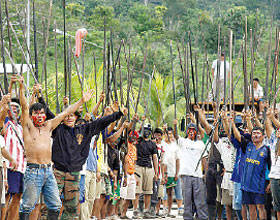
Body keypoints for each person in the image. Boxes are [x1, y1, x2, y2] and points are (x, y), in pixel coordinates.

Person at [17, 76, 94, 219]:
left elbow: (66, 112)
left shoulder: (49, 125)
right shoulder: (27, 126)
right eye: (36, 113)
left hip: (48, 170)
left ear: (45, 115)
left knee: (55, 205)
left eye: (41, 113)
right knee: (27, 205)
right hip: (33, 170)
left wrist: (81, 101)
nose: (39, 116)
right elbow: (24, 106)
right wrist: (21, 87)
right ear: (31, 115)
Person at [52, 97, 127, 220]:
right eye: (67, 115)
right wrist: (74, 102)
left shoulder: (84, 130)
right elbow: (49, 115)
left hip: (74, 174)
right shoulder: (57, 129)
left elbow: (101, 122)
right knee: (53, 203)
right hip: (58, 172)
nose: (69, 118)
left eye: (73, 115)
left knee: (71, 208)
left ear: (76, 117)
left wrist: (117, 114)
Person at [231, 121, 271, 220]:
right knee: (251, 208)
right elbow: (238, 137)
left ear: (263, 136)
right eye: (254, 133)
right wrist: (232, 123)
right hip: (246, 185)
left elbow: (271, 167)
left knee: (260, 207)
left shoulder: (266, 150)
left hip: (259, 186)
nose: (255, 135)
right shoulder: (247, 146)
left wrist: (269, 183)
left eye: (258, 133)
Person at [174, 120, 208, 220]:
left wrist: (205, 173)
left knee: (200, 200)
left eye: (193, 130)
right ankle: (188, 218)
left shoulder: (201, 144)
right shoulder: (183, 142)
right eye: (189, 130)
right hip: (186, 175)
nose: (191, 132)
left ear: (196, 132)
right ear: (187, 131)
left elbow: (204, 158)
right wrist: (175, 125)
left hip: (197, 176)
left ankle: (202, 218)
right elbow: (176, 136)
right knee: (187, 200)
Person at [1, 95, 25, 220]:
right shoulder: (6, 123)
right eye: (12, 107)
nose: (14, 109)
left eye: (16, 107)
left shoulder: (20, 127)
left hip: (21, 167)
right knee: (6, 197)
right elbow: (3, 111)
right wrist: (5, 102)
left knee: (17, 197)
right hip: (9, 166)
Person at [133, 124, 159, 219]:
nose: (146, 132)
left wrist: (156, 172)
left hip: (149, 168)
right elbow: (132, 135)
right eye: (145, 130)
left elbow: (155, 158)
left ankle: (146, 210)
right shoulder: (138, 141)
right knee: (137, 190)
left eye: (148, 130)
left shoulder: (153, 144)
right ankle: (135, 210)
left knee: (148, 191)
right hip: (138, 167)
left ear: (150, 132)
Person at [161, 127, 182, 217]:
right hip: (164, 173)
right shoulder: (162, 144)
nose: (169, 136)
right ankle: (165, 209)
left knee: (173, 193)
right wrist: (163, 174)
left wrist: (177, 173)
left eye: (170, 134)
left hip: (173, 173)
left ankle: (171, 210)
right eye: (167, 134)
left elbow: (177, 160)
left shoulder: (174, 145)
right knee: (164, 193)